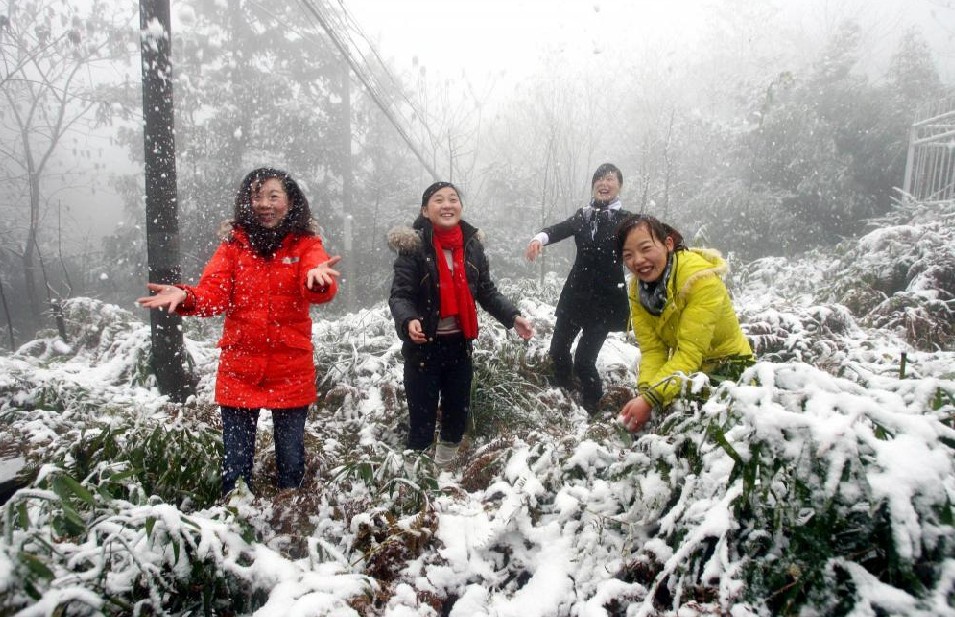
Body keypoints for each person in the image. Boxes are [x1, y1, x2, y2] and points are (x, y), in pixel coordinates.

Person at [137, 167, 341, 495]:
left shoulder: (305, 244)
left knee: (291, 461)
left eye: (273, 196)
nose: (265, 203)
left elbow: (317, 281)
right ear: (247, 202)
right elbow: (214, 293)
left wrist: (318, 279)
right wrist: (186, 296)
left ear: (290, 202)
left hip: (290, 367)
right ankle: (235, 521)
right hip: (240, 367)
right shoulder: (234, 245)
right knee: (235, 465)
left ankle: (291, 518)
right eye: (257, 196)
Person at [388, 181, 535, 466]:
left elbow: (486, 290)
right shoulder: (414, 249)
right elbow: (401, 295)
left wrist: (513, 316)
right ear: (425, 211)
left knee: (456, 417)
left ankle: (444, 472)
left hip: (459, 347)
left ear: (461, 207)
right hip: (423, 350)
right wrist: (408, 321)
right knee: (422, 419)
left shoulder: (472, 248)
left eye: (453, 199)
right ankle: (413, 482)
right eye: (438, 200)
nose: (447, 205)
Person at [614, 215, 753, 433]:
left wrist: (651, 399)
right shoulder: (637, 289)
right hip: (689, 376)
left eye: (646, 248)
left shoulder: (700, 280)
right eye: (628, 255)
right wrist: (645, 393)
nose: (638, 260)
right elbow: (653, 350)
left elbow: (690, 352)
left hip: (731, 373)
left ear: (668, 244)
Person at [524, 163, 632, 413]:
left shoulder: (626, 221)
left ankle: (595, 407)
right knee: (558, 351)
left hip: (605, 301)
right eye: (599, 180)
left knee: (584, 361)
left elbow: (646, 243)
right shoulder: (582, 215)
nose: (603, 184)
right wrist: (537, 239)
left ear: (619, 186)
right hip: (576, 295)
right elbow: (557, 230)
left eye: (610, 179)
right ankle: (563, 398)